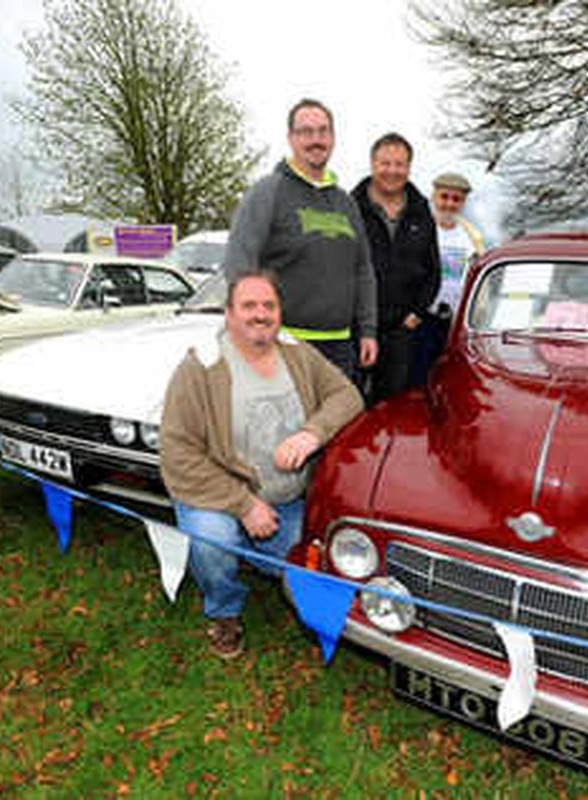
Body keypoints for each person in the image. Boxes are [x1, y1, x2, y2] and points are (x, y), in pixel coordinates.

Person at [159, 270, 363, 659]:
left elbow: (347, 394)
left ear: (280, 313)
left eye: (268, 305)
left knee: (310, 562)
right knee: (212, 542)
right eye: (248, 305)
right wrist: (244, 505)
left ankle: (264, 558)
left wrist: (312, 433)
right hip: (216, 497)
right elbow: (177, 451)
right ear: (229, 314)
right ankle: (224, 610)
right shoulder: (201, 366)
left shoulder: (298, 353)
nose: (260, 314)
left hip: (287, 498)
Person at [223, 99, 377, 380]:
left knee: (338, 423)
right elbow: (239, 264)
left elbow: (363, 269)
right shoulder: (268, 192)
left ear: (332, 138)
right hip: (283, 344)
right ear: (291, 139)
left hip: (341, 347)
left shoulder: (346, 202)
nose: (315, 140)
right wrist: (251, 332)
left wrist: (368, 330)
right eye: (306, 132)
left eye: (323, 131)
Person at [351, 133, 440, 401]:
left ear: (408, 167)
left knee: (391, 408)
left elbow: (432, 270)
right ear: (372, 164)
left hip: (401, 331)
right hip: (355, 329)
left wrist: (416, 313)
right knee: (349, 405)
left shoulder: (421, 210)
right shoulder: (349, 207)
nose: (392, 171)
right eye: (385, 163)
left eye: (399, 164)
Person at [412, 172, 486, 384]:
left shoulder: (472, 237)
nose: (449, 204)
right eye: (444, 197)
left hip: (455, 323)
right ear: (434, 197)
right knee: (418, 380)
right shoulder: (421, 229)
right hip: (421, 319)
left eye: (456, 199)